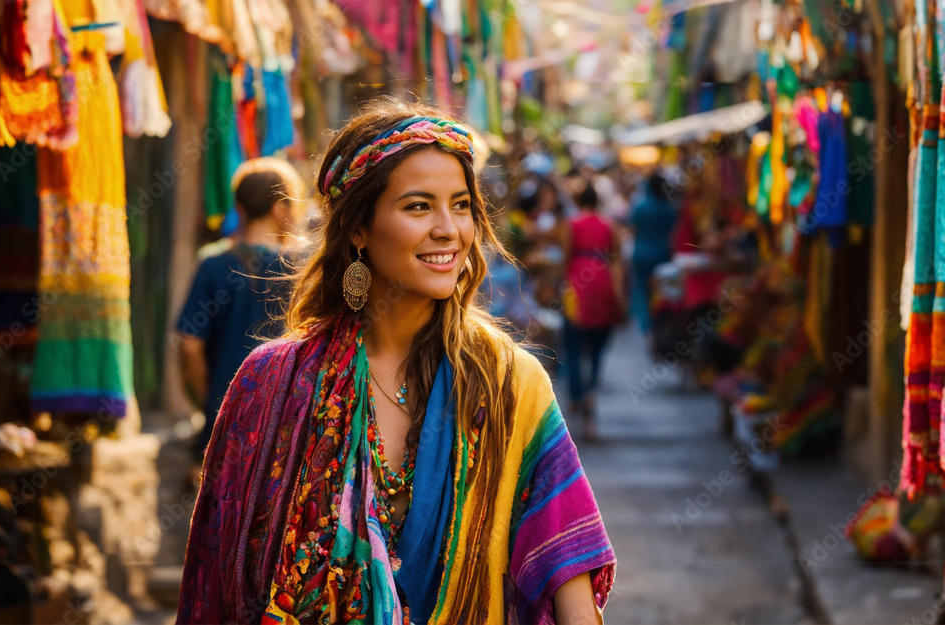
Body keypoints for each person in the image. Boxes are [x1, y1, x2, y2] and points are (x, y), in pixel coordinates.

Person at [177, 101, 615, 625]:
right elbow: (216, 587)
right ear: (359, 228)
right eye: (417, 207)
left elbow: (569, 580)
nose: (449, 229)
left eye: (460, 205)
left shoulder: (508, 386)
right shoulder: (271, 383)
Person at [175, 157, 305, 454]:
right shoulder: (301, 269)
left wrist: (210, 399)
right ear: (278, 208)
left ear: (240, 208)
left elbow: (189, 345)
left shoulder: (213, 264)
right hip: (286, 420)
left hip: (225, 417)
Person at [562, 183, 624, 442]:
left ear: (578, 201)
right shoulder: (610, 225)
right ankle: (590, 393)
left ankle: (577, 396)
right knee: (598, 347)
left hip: (577, 282)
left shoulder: (571, 223)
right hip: (603, 281)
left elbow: (565, 256)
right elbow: (617, 257)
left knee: (574, 346)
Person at [629, 172, 677, 334]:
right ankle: (658, 320)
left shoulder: (640, 207)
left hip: (642, 253)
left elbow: (633, 230)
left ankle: (646, 323)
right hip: (662, 253)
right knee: (660, 289)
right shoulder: (669, 207)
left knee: (642, 288)